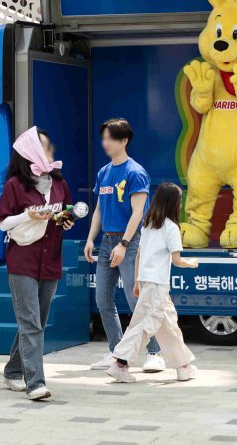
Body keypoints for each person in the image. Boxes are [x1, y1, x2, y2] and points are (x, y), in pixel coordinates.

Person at [0, 128, 72, 401]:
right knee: (31, 323)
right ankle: (35, 383)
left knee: (36, 322)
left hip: (51, 260)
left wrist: (65, 219)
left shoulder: (59, 183)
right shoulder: (15, 185)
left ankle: (13, 369)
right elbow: (2, 222)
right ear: (31, 152)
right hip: (23, 261)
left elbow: (65, 213)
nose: (50, 151)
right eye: (45, 146)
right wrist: (28, 215)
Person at [84, 118, 164, 372]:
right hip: (107, 241)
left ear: (124, 140)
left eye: (111, 138)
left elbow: (138, 212)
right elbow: (99, 209)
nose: (105, 143)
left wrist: (124, 243)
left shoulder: (135, 172)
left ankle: (155, 353)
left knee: (135, 299)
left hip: (130, 242)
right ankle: (116, 351)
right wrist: (90, 238)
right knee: (103, 300)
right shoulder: (103, 173)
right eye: (104, 138)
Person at [105, 182, 199, 383]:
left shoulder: (147, 225)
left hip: (148, 282)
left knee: (168, 325)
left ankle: (183, 366)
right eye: (180, 201)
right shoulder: (171, 228)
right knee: (144, 325)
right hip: (157, 285)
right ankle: (120, 365)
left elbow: (139, 255)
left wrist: (137, 283)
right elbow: (176, 260)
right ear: (174, 203)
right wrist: (191, 263)